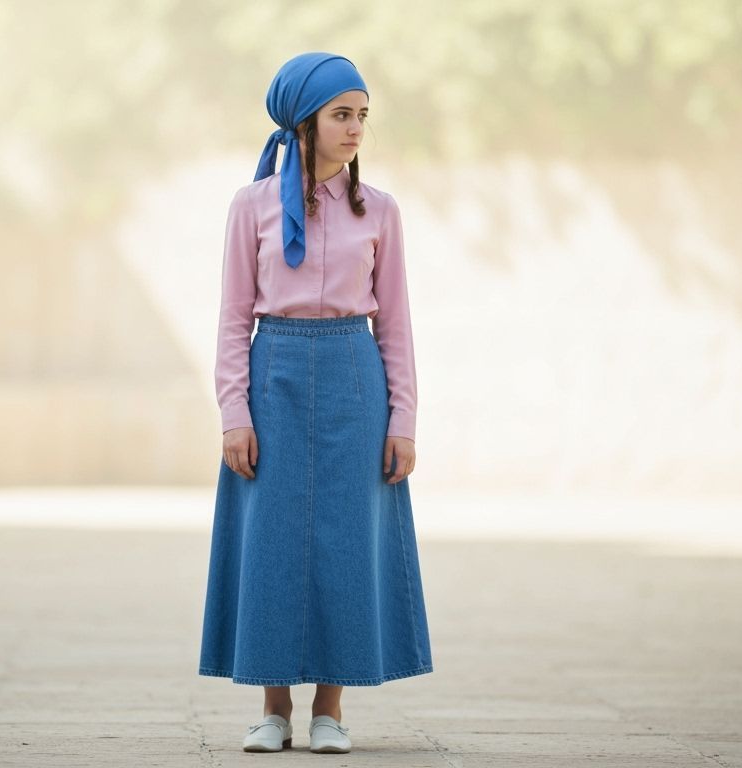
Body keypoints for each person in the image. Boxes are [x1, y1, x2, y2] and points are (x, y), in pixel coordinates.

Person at [197, 52, 434, 755]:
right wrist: (233, 413)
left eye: (363, 115)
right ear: (305, 120)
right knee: (270, 541)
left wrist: (405, 421)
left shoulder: (381, 212)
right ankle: (274, 709)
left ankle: (331, 709)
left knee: (344, 539)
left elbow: (395, 323)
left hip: (354, 378)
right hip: (274, 374)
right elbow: (234, 317)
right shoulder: (253, 205)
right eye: (342, 114)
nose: (356, 126)